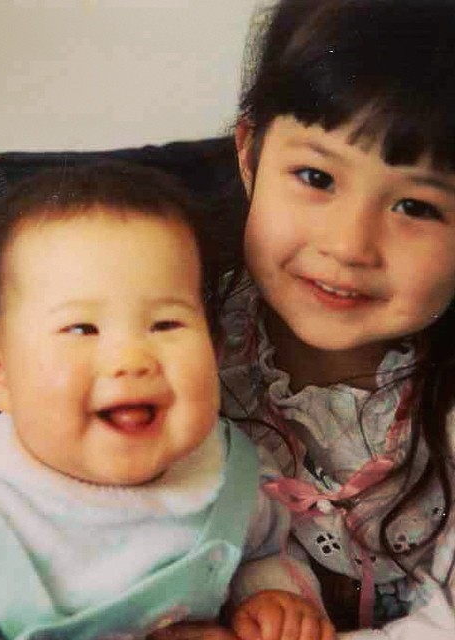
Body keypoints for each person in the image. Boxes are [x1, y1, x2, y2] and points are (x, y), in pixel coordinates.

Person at [0, 161, 333, 640]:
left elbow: (264, 552)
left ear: (215, 349)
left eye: (165, 324)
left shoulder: (233, 475)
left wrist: (271, 596)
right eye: (82, 328)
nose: (131, 359)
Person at [159, 1, 455, 639]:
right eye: (316, 176)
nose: (349, 246)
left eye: (416, 206)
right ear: (248, 155)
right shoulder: (170, 338)